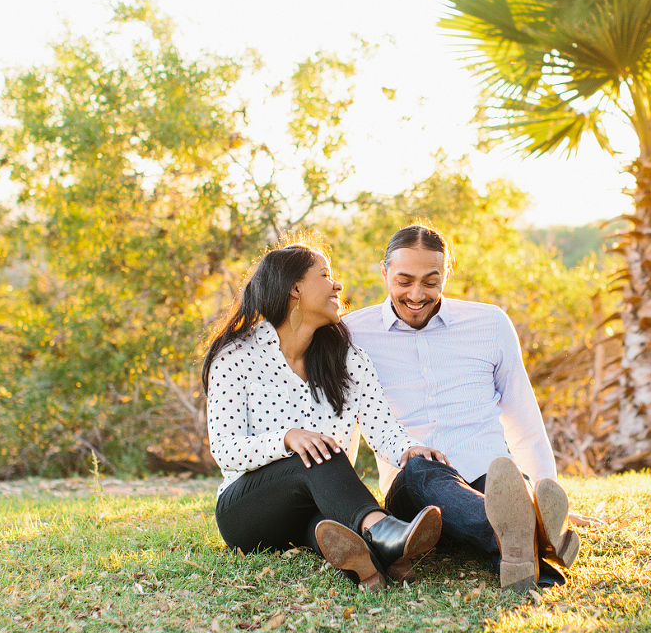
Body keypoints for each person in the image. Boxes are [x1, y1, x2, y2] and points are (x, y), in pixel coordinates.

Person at [342, 224, 580, 592]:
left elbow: (524, 421)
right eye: (404, 280)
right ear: (384, 271)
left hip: (490, 475)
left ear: (447, 274)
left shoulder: (489, 323)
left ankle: (522, 549)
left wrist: (545, 488)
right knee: (423, 467)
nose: (417, 294)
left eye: (430, 281)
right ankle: (537, 535)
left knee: (503, 484)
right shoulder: (352, 333)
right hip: (413, 489)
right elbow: (343, 424)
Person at [203, 240, 449, 591]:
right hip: (247, 513)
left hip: (321, 508)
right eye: (326, 275)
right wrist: (286, 438)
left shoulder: (348, 358)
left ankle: (369, 565)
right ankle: (385, 531)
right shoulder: (237, 357)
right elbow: (225, 449)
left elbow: (382, 428)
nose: (338, 285)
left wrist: (410, 449)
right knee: (319, 451)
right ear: (296, 289)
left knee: (328, 531)